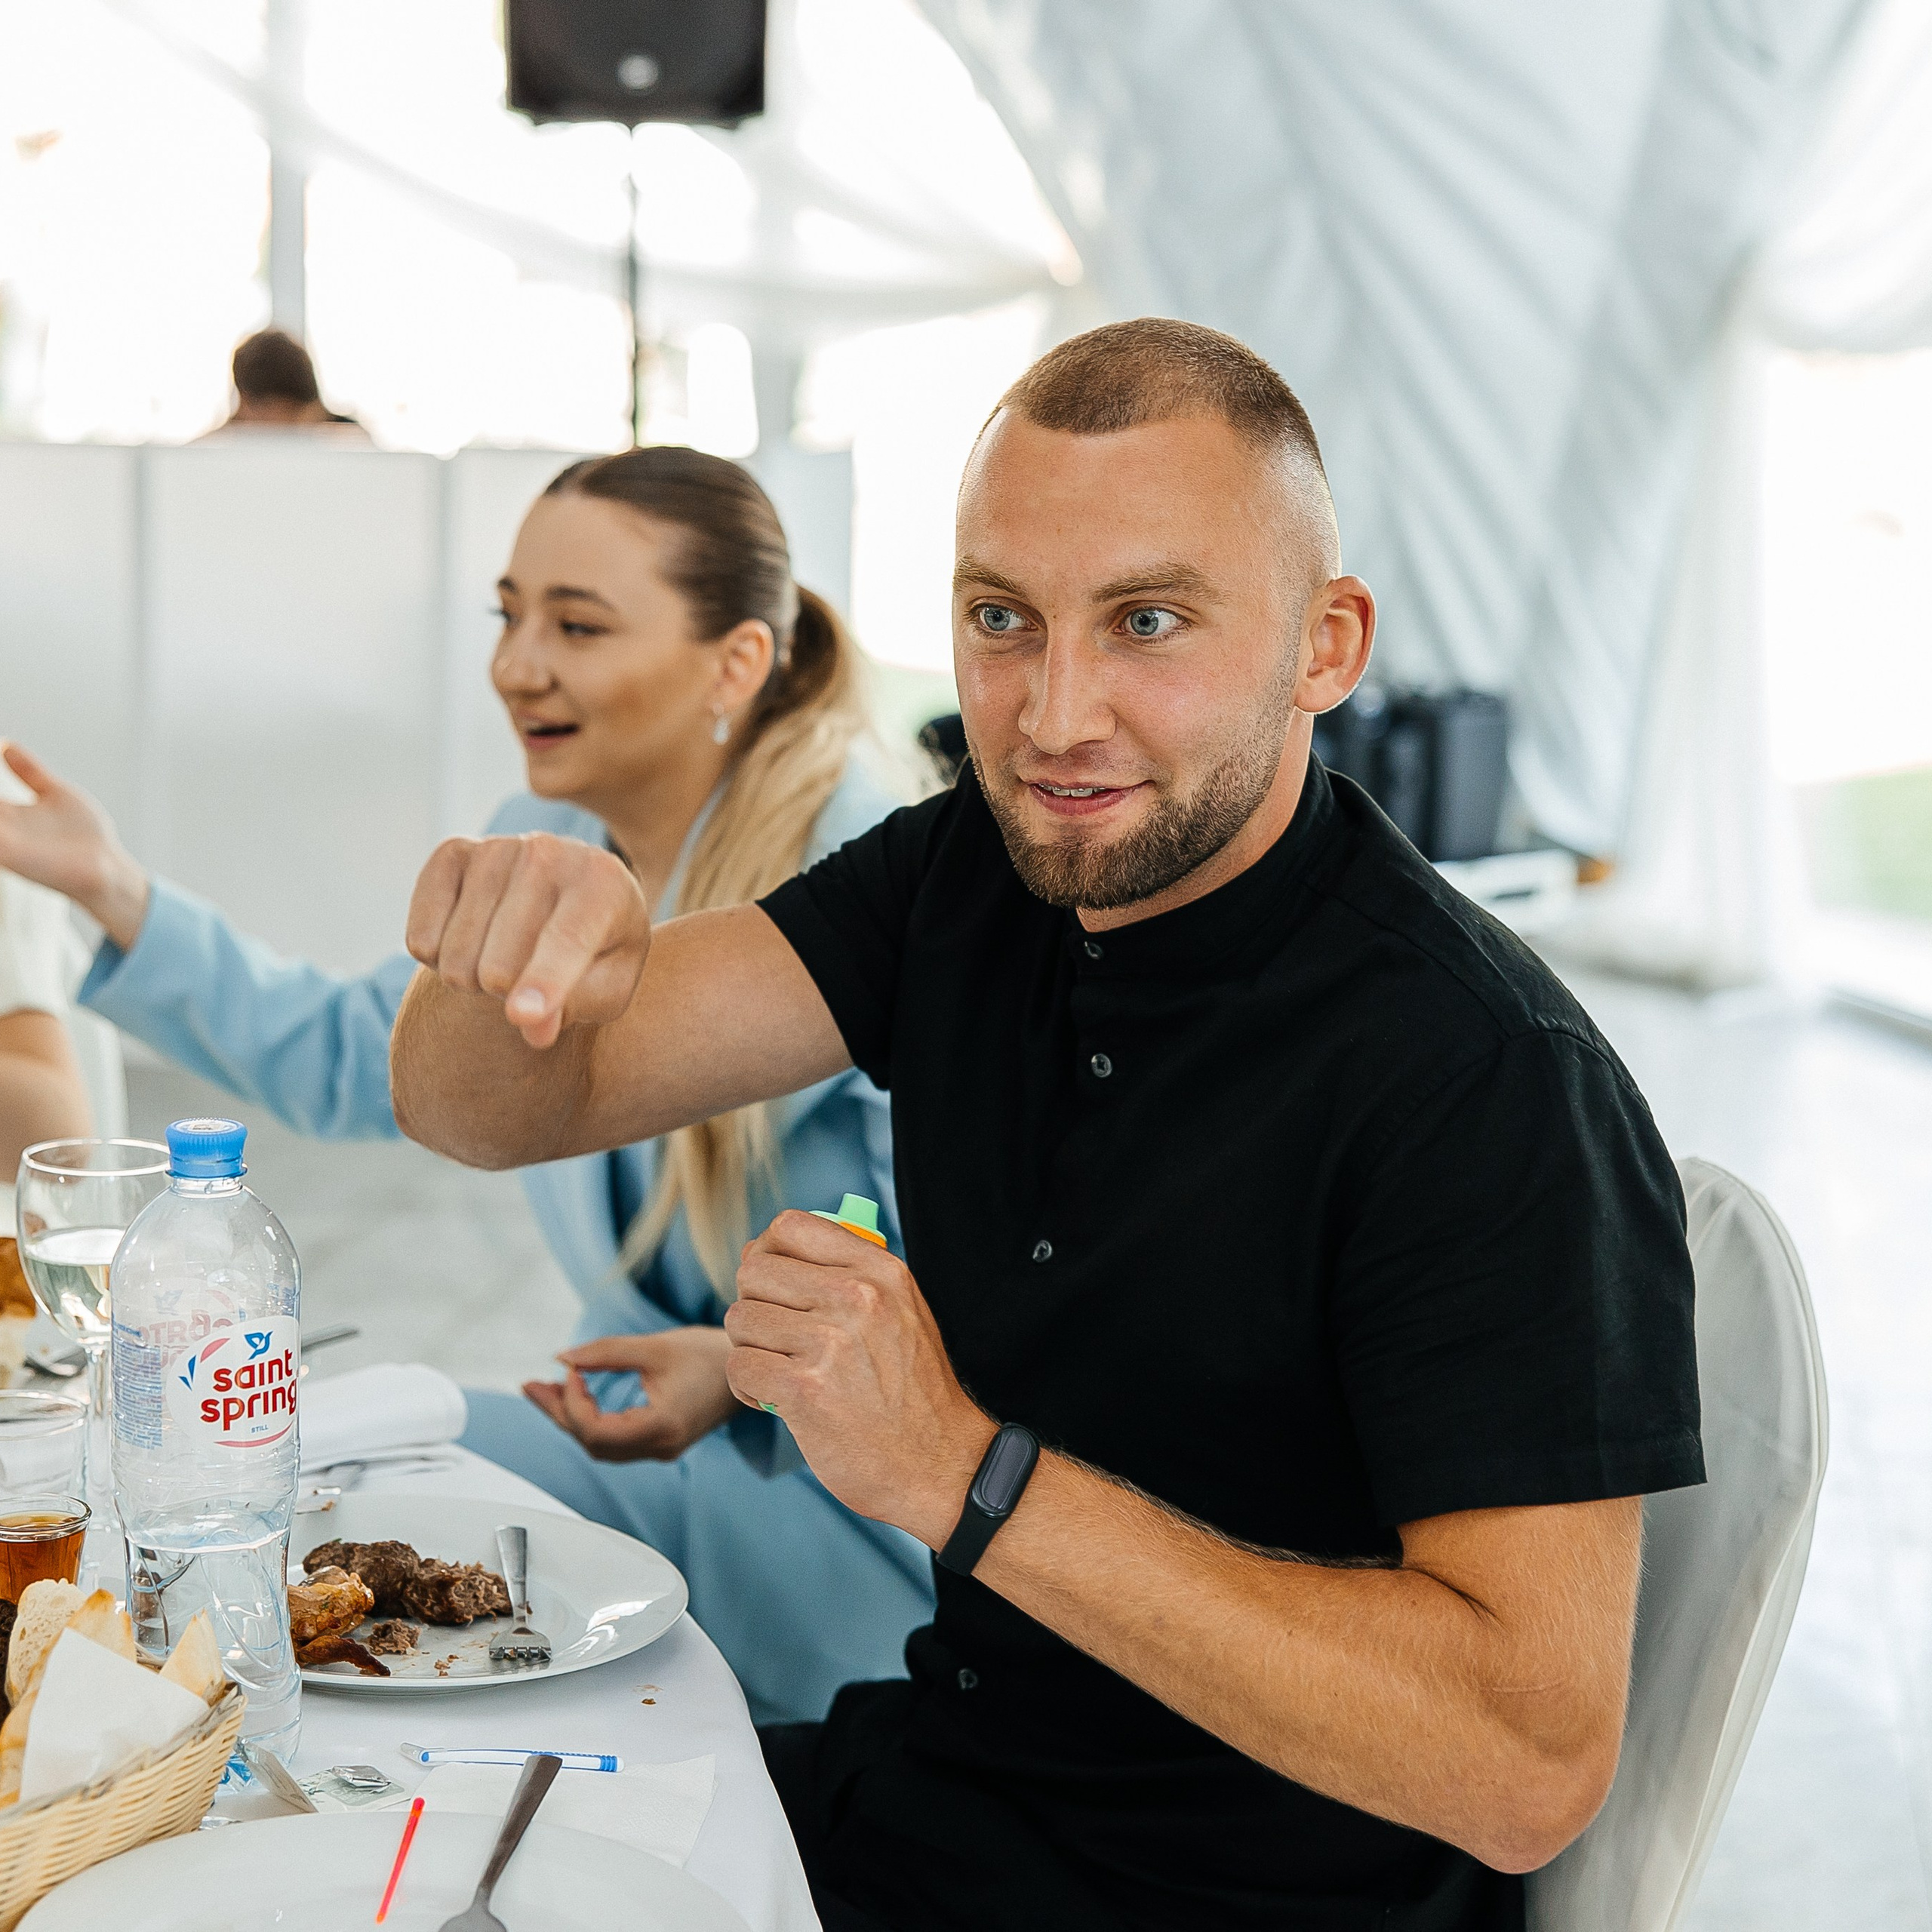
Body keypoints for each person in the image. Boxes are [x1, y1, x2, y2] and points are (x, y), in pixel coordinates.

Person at [388, 318, 1706, 1931]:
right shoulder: (969, 877)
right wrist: (510, 941)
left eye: (1146, 620)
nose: (1053, 712)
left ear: (1324, 644)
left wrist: (967, 1474)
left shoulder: (1486, 1084)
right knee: (389, 1858)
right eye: (1000, 618)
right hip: (936, 1803)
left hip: (1221, 1905)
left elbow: (1525, 1764)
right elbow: (487, 1106)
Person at [0, 448, 934, 1723]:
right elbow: (351, 1056)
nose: (516, 664)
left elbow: (988, 1254)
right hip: (648, 1443)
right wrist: (114, 892)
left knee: (330, 1508)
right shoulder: (550, 857)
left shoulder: (861, 881)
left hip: (843, 1517)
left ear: (736, 663)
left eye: (577, 624)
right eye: (509, 615)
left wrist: (739, 1360)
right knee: (302, 1466)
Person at [196, 328, 372, 442]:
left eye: (300, 414)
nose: (298, 426)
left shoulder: (350, 441)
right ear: (247, 404)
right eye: (287, 415)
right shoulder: (213, 450)